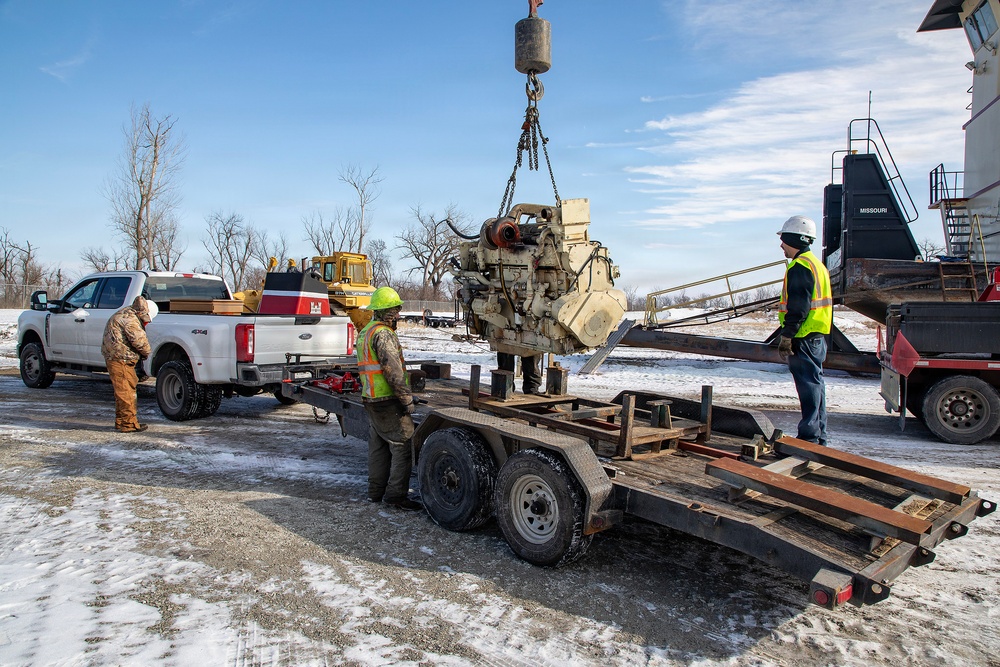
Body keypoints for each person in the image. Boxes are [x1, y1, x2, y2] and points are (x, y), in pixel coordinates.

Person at [355, 286, 422, 511]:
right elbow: (392, 371)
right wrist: (407, 400)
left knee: (378, 446)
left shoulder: (366, 331)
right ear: (385, 312)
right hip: (387, 400)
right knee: (402, 445)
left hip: (371, 398)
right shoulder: (383, 334)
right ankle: (395, 497)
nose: (399, 315)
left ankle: (375, 492)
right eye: (395, 310)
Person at [776, 215, 833, 446]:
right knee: (816, 384)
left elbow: (798, 307)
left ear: (794, 239)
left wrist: (787, 335)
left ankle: (809, 438)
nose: (781, 245)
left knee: (809, 387)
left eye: (784, 240)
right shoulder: (816, 264)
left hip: (804, 337)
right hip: (816, 336)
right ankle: (819, 436)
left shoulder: (800, 266)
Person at [102, 295, 153, 433]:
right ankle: (128, 424)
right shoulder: (130, 320)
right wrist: (148, 353)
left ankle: (121, 421)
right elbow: (140, 342)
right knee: (127, 392)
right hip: (121, 359)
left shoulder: (124, 313)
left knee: (121, 391)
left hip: (114, 357)